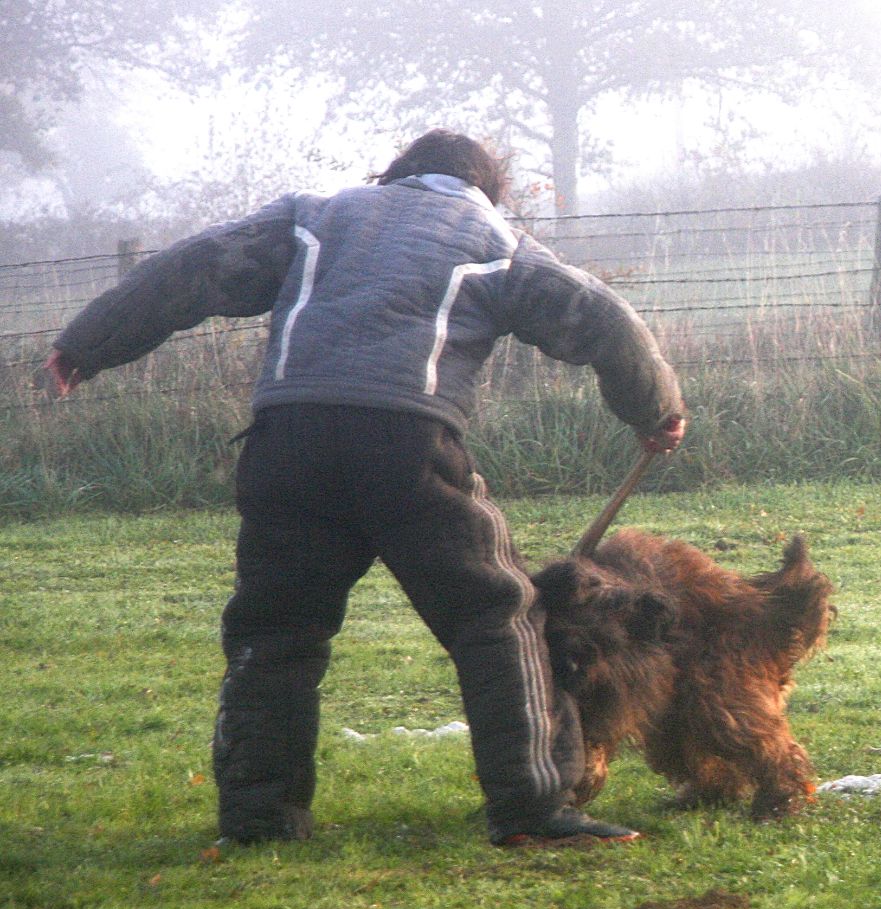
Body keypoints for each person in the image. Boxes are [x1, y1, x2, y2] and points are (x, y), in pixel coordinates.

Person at [44, 129, 686, 847]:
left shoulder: (314, 213)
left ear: (395, 175)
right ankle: (534, 809)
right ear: (486, 187)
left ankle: (260, 819)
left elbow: (190, 268)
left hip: (285, 439)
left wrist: (85, 345)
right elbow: (604, 319)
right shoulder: (494, 234)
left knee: (274, 631)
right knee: (497, 615)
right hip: (407, 443)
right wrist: (657, 411)